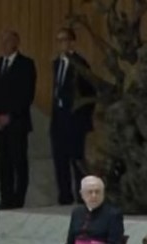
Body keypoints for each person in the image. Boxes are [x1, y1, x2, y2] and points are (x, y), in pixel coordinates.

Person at [0, 30, 37, 215]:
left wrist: (10, 116)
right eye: (2, 40)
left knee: (18, 162)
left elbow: (27, 95)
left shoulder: (26, 65)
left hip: (16, 124)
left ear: (16, 42)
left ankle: (17, 202)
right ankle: (5, 201)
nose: (3, 44)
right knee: (2, 163)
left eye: (7, 40)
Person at [50, 27, 96, 205]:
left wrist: (82, 116)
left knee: (76, 159)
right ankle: (64, 196)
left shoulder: (80, 63)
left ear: (72, 42)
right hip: (59, 118)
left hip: (75, 119)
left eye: (65, 40)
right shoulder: (56, 63)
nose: (62, 44)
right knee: (59, 158)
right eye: (59, 40)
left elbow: (89, 92)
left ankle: (80, 196)